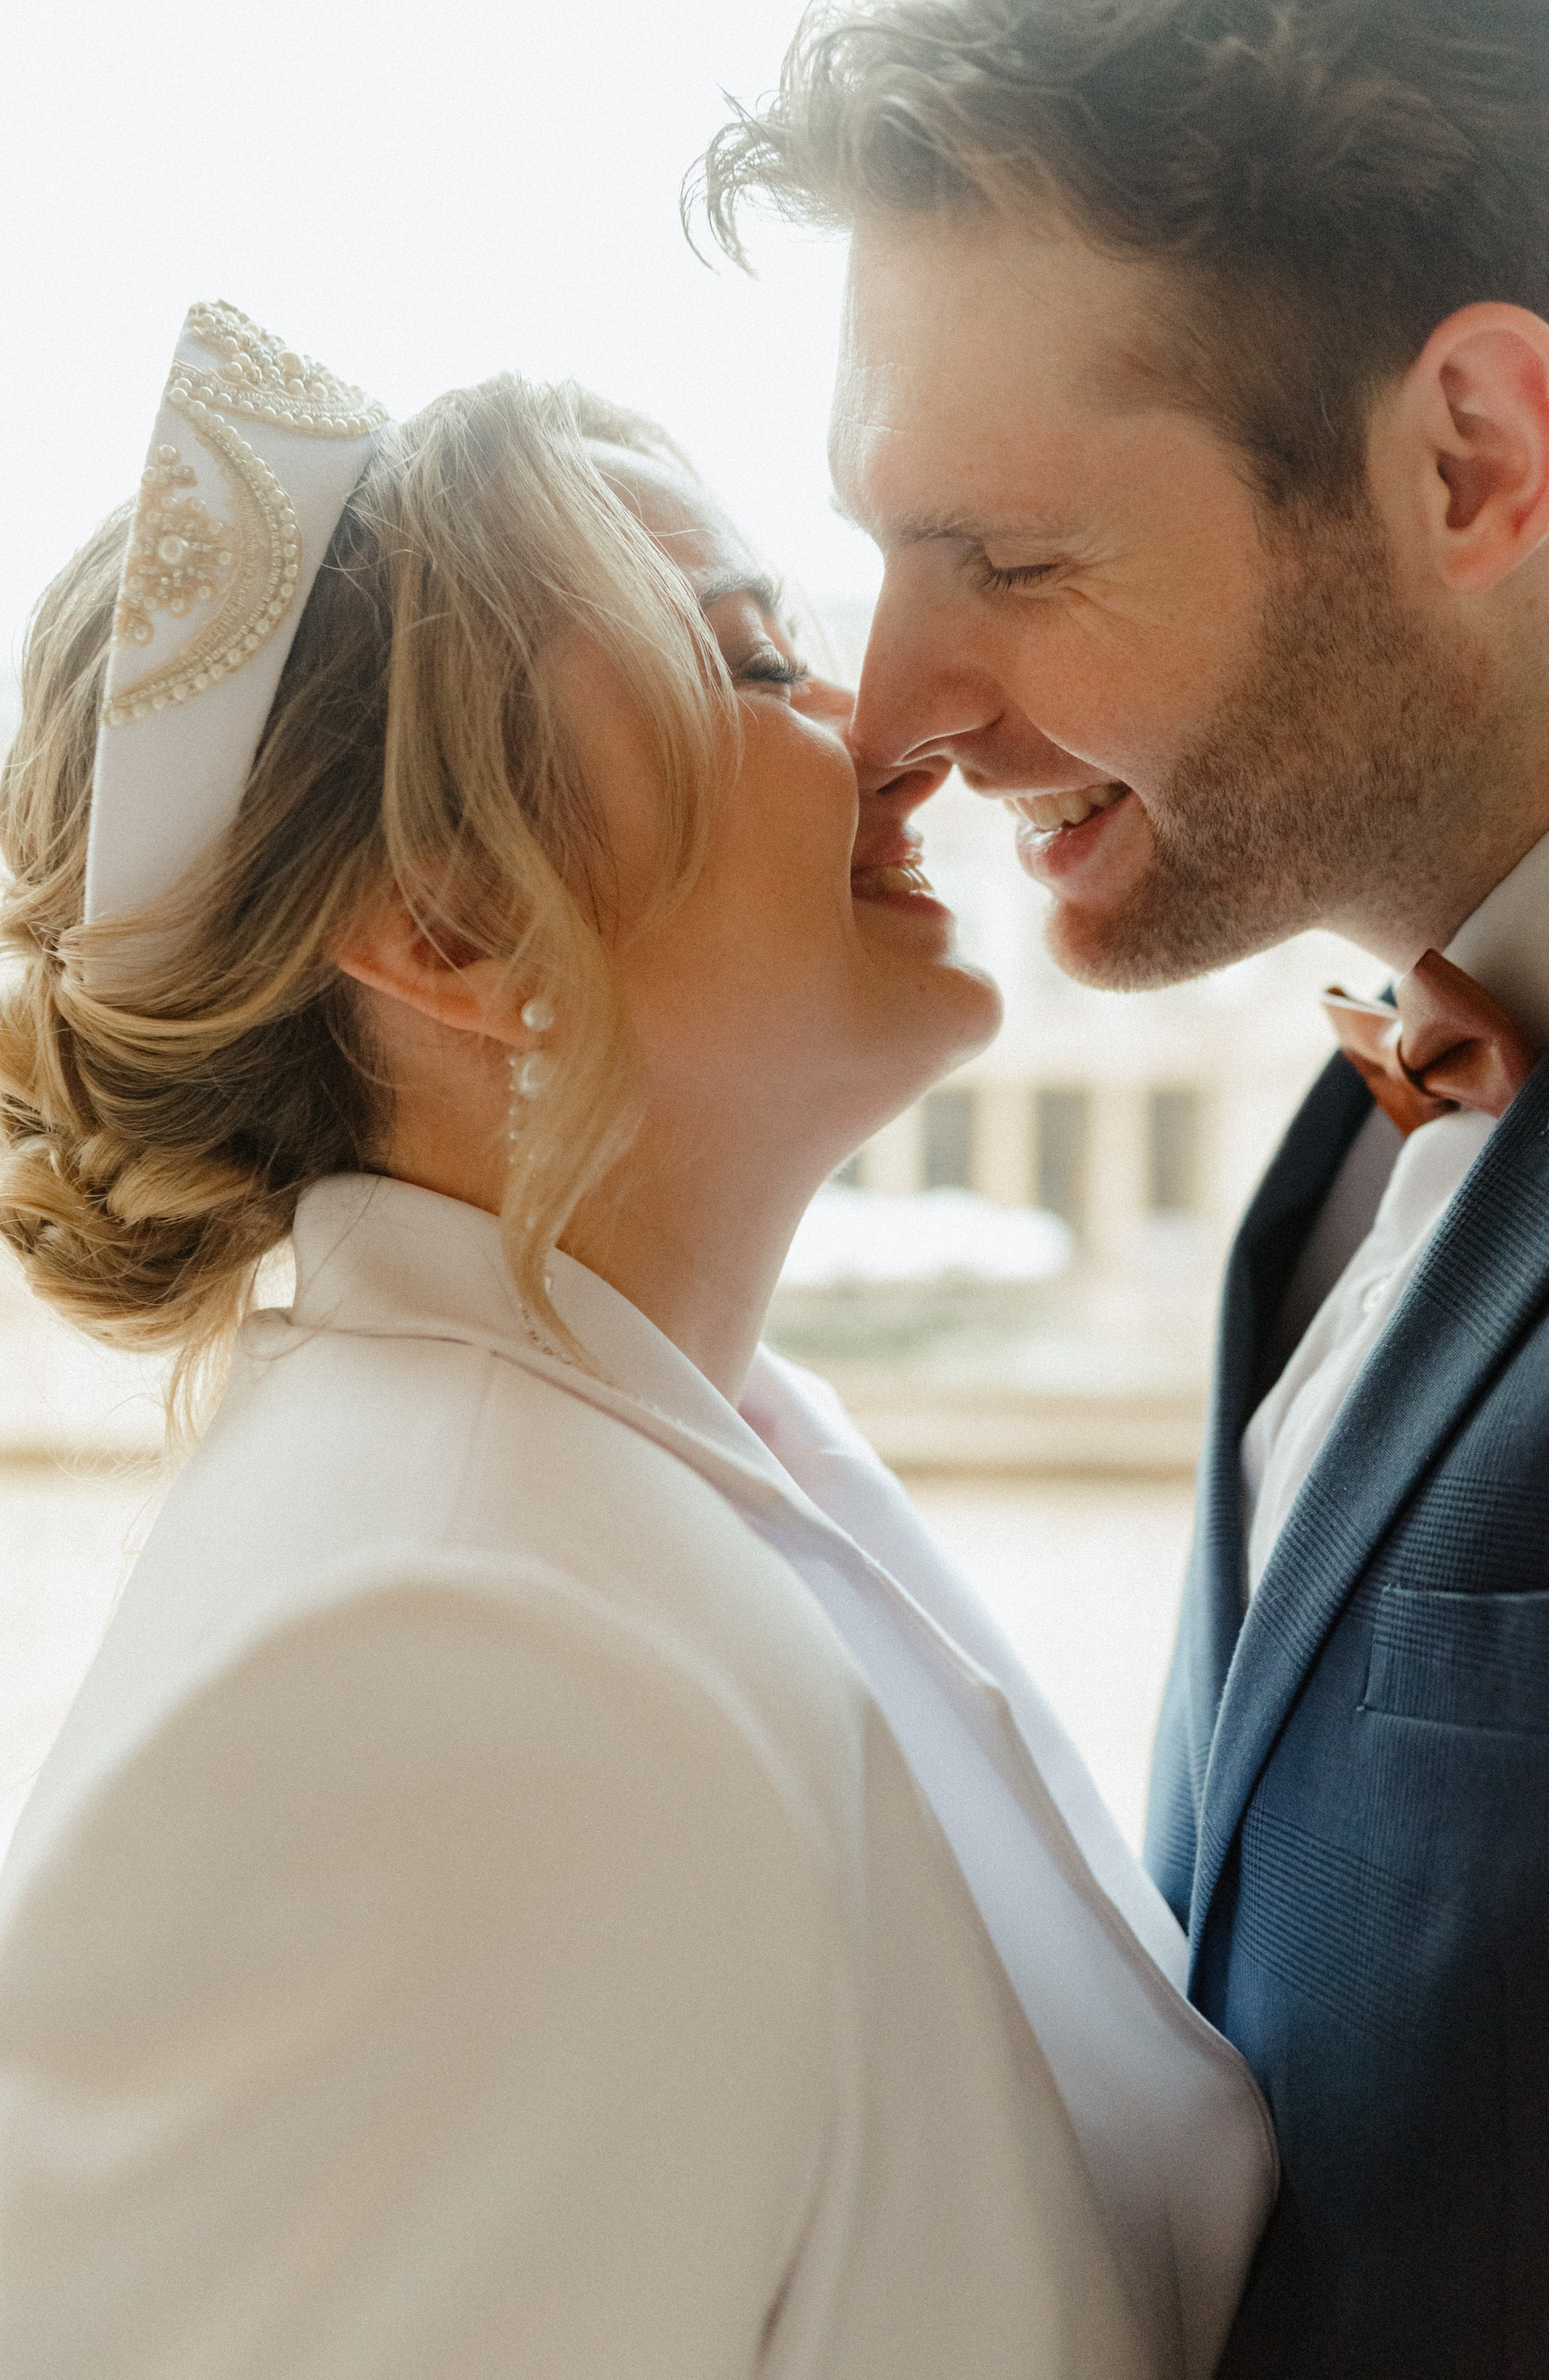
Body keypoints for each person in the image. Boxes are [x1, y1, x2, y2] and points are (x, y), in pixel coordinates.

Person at [0, 306, 1273, 2378]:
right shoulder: (446, 1656)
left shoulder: (678, 1480)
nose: (875, 719)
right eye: (749, 658)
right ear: (454, 932)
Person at [700, 1, 1549, 2371]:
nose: (890, 710)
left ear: (1473, 457)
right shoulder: (1340, 1161)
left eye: (1014, 557)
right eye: (885, 548)